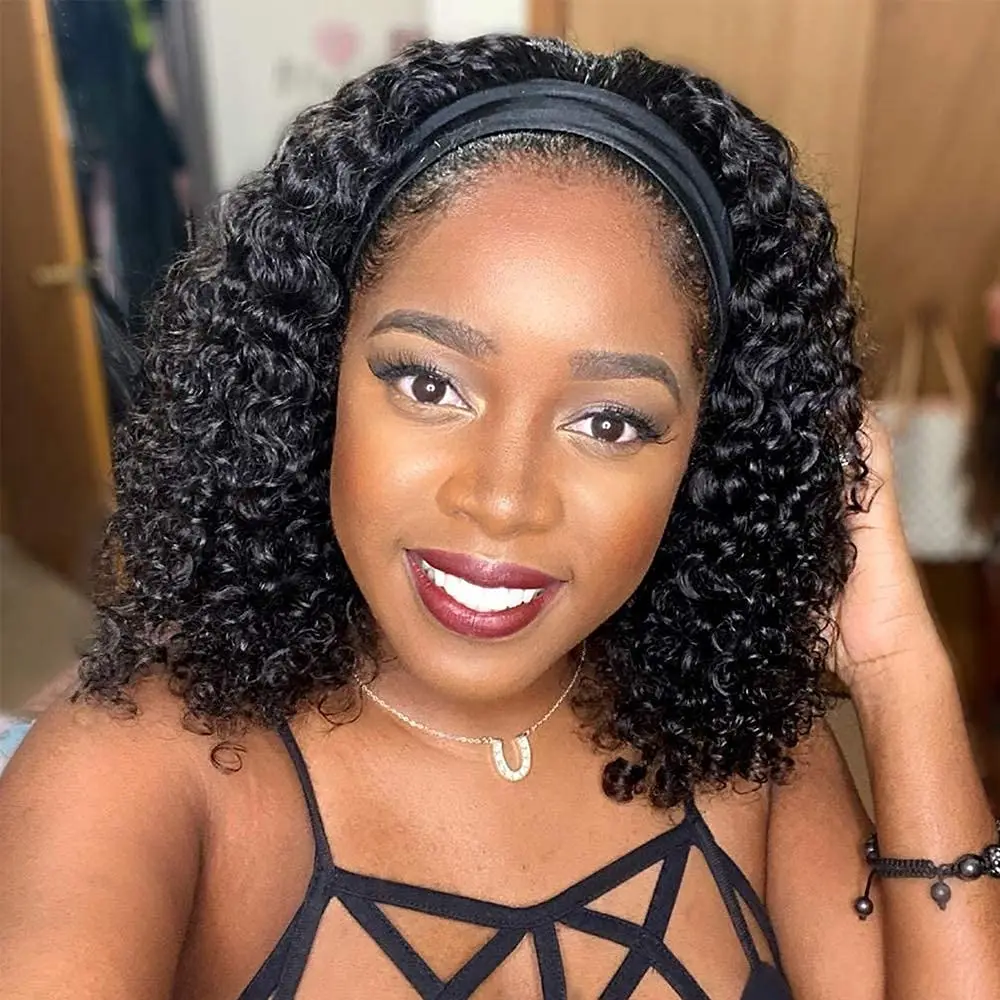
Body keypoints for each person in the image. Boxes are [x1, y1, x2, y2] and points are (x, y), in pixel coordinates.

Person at [1, 34, 997, 1000]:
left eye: (609, 422)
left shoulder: (740, 744)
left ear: (704, 454)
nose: (504, 498)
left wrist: (894, 664)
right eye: (428, 384)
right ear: (314, 378)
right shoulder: (141, 767)